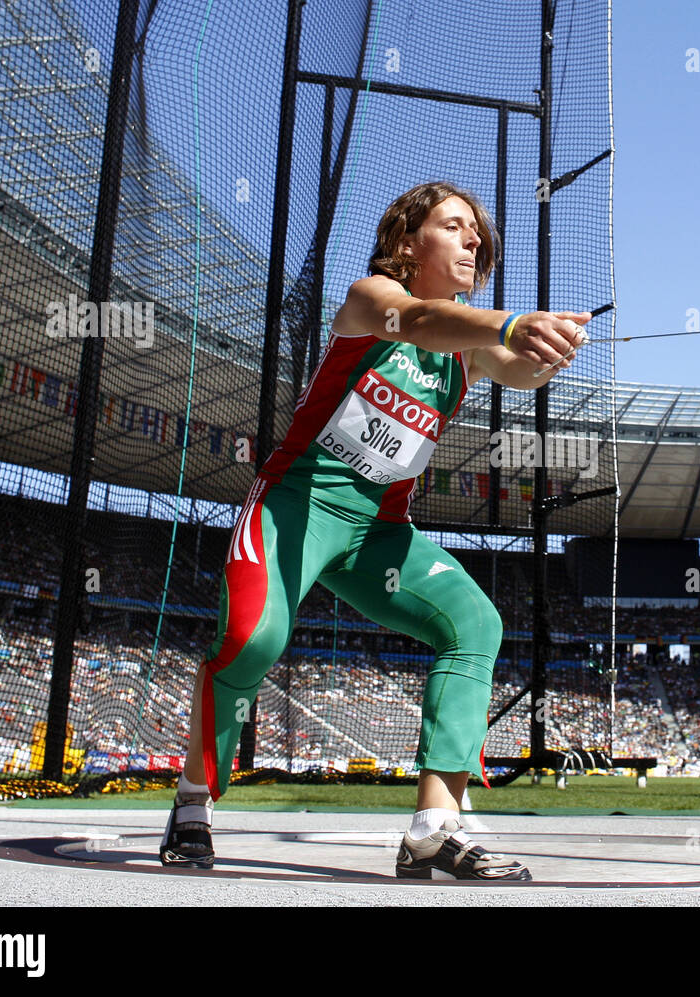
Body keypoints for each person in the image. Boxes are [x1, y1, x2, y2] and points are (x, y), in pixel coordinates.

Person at [160, 180, 590, 880]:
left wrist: (550, 348)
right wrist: (513, 325)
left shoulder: (468, 352)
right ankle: (192, 801)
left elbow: (519, 370)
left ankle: (433, 829)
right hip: (295, 507)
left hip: (376, 534)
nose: (473, 238)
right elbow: (418, 320)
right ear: (406, 241)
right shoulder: (369, 301)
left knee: (474, 624)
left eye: (476, 233)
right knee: (250, 638)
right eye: (454, 226)